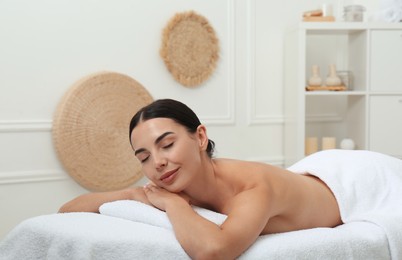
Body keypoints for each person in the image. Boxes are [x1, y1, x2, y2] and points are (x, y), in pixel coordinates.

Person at [59, 99, 342, 259]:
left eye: (167, 144)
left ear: (201, 137)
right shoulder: (174, 182)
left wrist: (174, 205)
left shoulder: (254, 187)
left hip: (339, 182)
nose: (157, 162)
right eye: (144, 157)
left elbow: (214, 251)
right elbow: (67, 211)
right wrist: (134, 194)